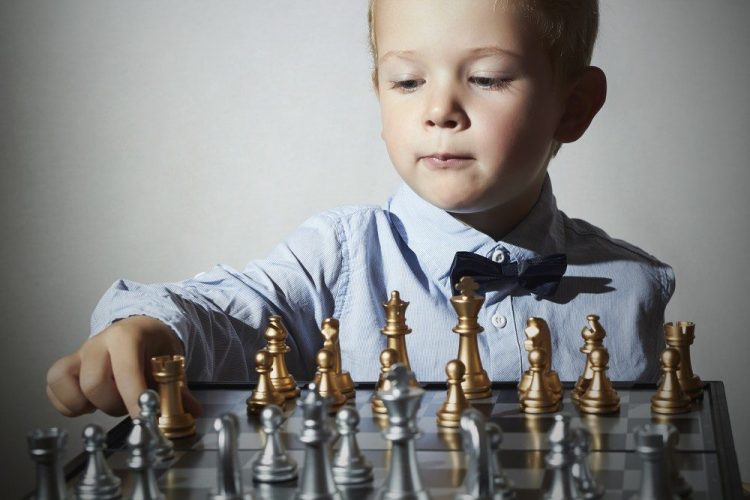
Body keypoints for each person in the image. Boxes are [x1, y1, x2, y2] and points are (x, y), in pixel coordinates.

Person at [46, 0, 674, 419]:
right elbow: (224, 310)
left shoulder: (635, 284)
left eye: (486, 77)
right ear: (379, 95)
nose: (439, 109)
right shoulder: (337, 258)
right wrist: (150, 327)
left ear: (575, 106)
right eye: (407, 82)